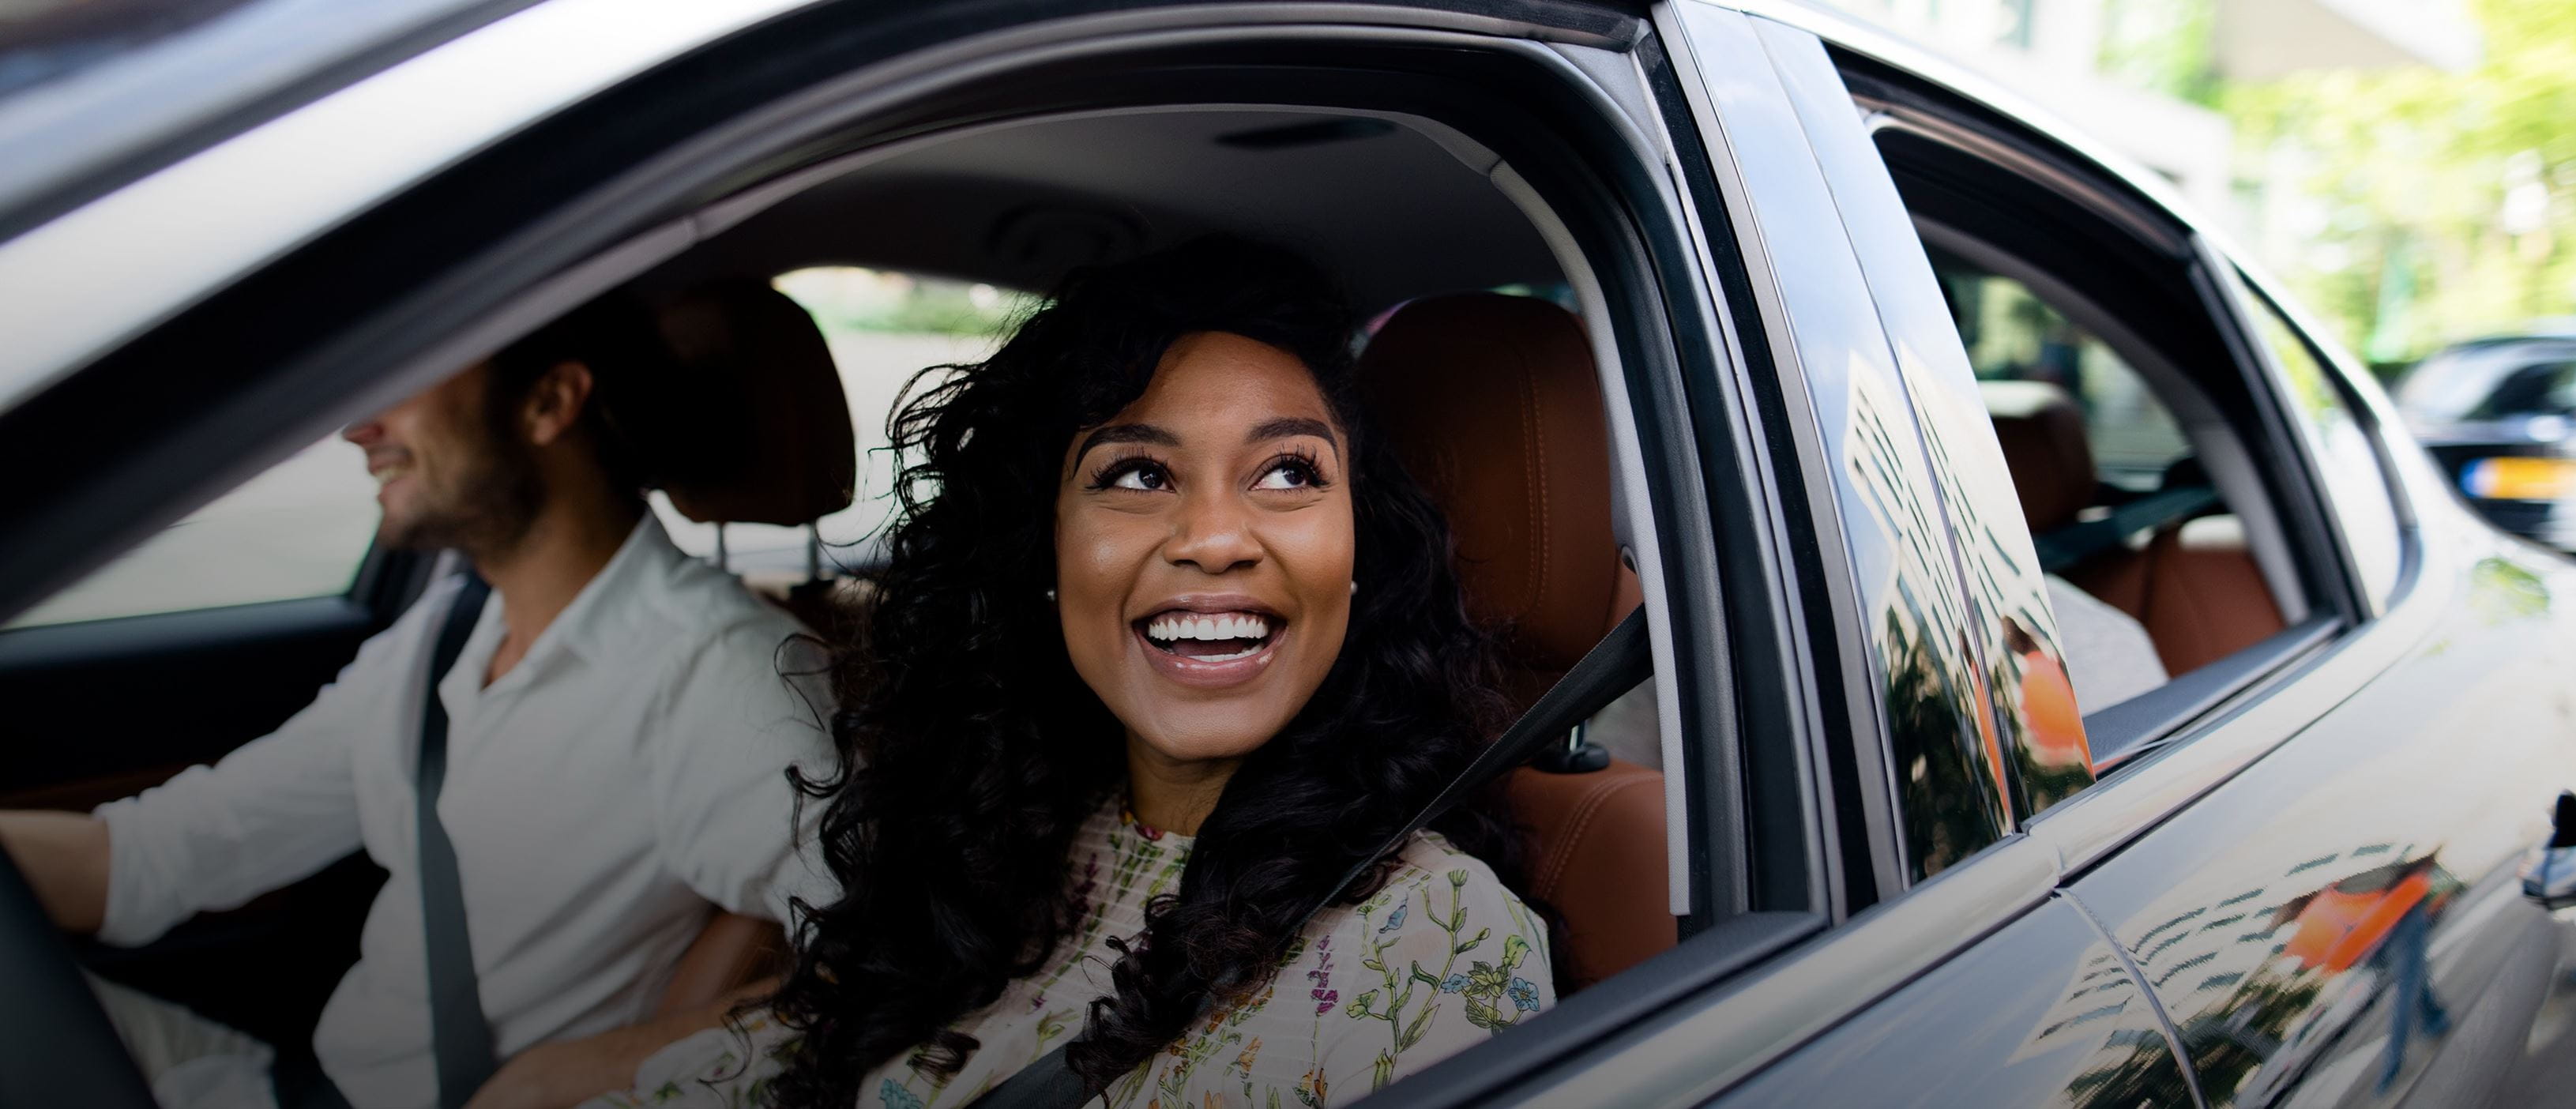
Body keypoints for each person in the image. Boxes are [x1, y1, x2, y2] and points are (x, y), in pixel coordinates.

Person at [589, 238, 1552, 1109]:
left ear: (1358, 550)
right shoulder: (1000, 839)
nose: (1216, 538)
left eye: (1289, 473)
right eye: (1137, 474)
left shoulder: (1430, 935)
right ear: (1043, 552)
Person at [0, 294, 833, 1109]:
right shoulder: (446, 633)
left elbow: (881, 969)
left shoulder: (720, 669)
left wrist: (575, 1076)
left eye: (408, 377)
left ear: (549, 403)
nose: (358, 429)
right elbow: (150, 858)